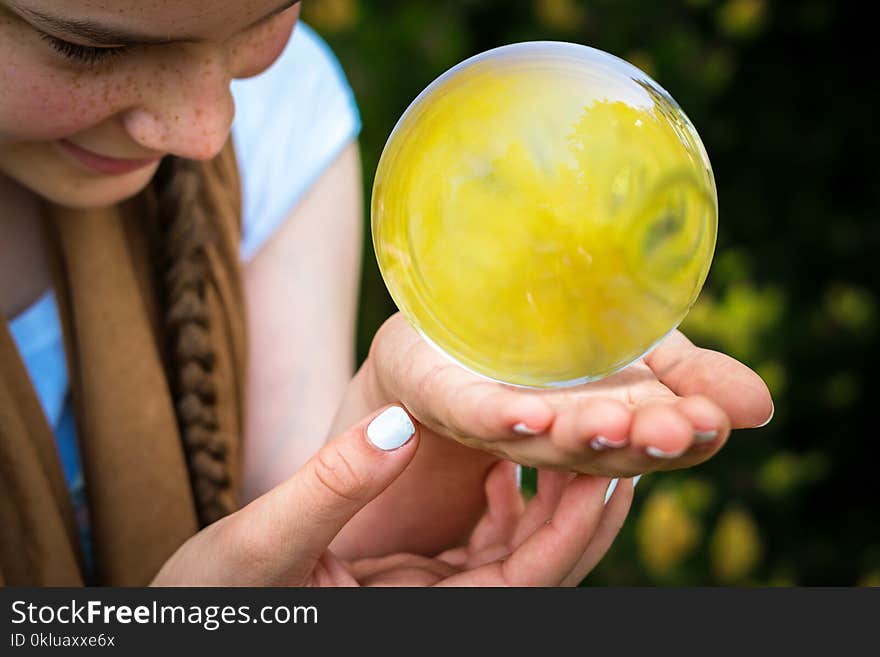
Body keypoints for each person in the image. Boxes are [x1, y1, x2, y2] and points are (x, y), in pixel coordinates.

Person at [0, 0, 773, 586]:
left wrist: (414, 440)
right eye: (84, 47)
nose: (205, 132)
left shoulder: (282, 118)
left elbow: (306, 548)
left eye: (265, 19)